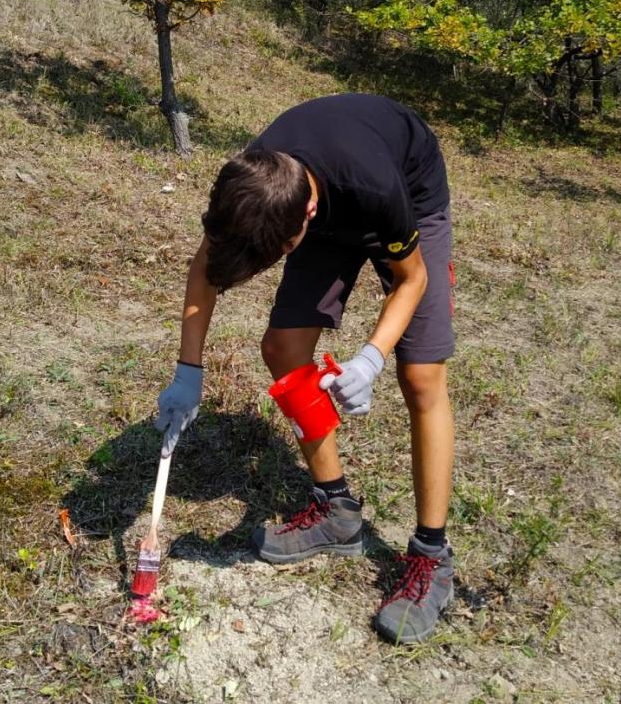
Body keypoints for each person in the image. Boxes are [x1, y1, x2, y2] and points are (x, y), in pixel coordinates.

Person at [154, 93, 456, 644]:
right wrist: (188, 371)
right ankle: (335, 509)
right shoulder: (254, 182)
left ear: (306, 218)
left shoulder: (376, 188)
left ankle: (432, 556)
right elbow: (206, 266)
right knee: (284, 347)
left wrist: (371, 357)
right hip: (326, 197)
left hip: (407, 191)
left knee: (421, 377)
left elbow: (412, 279)